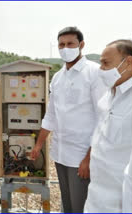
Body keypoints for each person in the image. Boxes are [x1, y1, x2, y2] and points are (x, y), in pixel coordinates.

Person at [30, 26, 106, 213]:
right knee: (68, 204)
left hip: (82, 156)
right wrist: (39, 145)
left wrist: (89, 158)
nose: (65, 48)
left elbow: (104, 118)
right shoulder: (57, 78)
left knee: (81, 206)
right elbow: (51, 115)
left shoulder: (94, 73)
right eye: (61, 45)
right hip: (61, 153)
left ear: (81, 45)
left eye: (70, 44)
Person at [84, 39, 132, 213]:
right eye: (101, 64)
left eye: (106, 63)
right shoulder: (108, 95)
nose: (101, 70)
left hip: (119, 204)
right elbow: (99, 134)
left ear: (128, 63)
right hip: (95, 199)